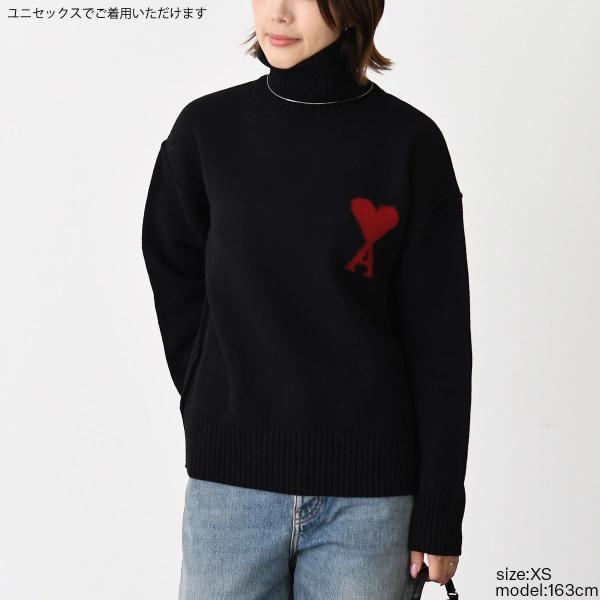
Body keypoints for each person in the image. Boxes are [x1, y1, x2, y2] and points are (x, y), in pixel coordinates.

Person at [141, 0, 472, 598]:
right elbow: (175, 273)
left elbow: (440, 340)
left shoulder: (409, 143)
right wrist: (213, 393)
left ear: (353, 8)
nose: (279, 12)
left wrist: (441, 509)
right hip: (230, 493)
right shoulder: (207, 131)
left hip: (371, 506)